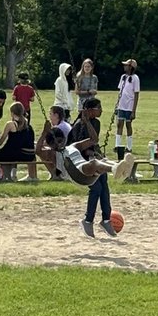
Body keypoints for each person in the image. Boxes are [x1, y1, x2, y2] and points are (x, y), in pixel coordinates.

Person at [67, 97, 135, 237]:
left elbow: (94, 141)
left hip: (93, 160)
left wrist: (96, 153)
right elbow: (76, 149)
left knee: (104, 185)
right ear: (88, 110)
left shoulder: (96, 123)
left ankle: (106, 219)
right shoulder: (78, 126)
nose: (101, 110)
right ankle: (87, 220)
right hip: (80, 165)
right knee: (96, 188)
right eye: (99, 108)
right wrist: (85, 122)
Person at [0, 101, 38, 182]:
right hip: (29, 155)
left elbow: (1, 141)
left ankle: (4, 176)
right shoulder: (28, 125)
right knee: (7, 153)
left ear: (12, 113)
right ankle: (9, 175)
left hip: (17, 154)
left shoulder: (10, 124)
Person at [113, 58, 140, 159]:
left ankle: (129, 146)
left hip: (129, 106)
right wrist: (117, 105)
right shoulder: (123, 77)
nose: (124, 67)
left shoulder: (135, 78)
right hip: (121, 105)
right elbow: (120, 92)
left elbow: (136, 94)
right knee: (119, 124)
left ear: (131, 67)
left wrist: (133, 110)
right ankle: (117, 145)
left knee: (128, 125)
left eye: (126, 65)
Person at [36, 105, 71, 179]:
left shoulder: (59, 127)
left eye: (50, 114)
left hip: (63, 153)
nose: (49, 117)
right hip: (65, 151)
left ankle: (54, 174)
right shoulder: (65, 124)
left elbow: (47, 143)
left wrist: (44, 133)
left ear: (56, 115)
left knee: (40, 151)